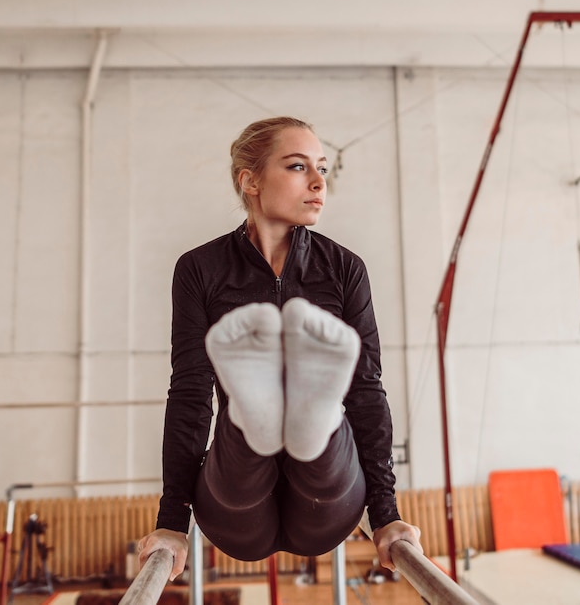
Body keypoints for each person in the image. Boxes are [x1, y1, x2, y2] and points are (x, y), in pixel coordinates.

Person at [138, 116, 422, 581]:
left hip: (327, 502)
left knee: (326, 440)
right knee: (240, 447)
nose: (317, 182)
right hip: (236, 505)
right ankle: (260, 419)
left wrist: (386, 513)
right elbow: (190, 393)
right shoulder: (199, 270)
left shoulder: (344, 270)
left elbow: (367, 391)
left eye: (323, 169)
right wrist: (172, 522)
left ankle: (312, 419)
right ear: (249, 180)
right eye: (296, 167)